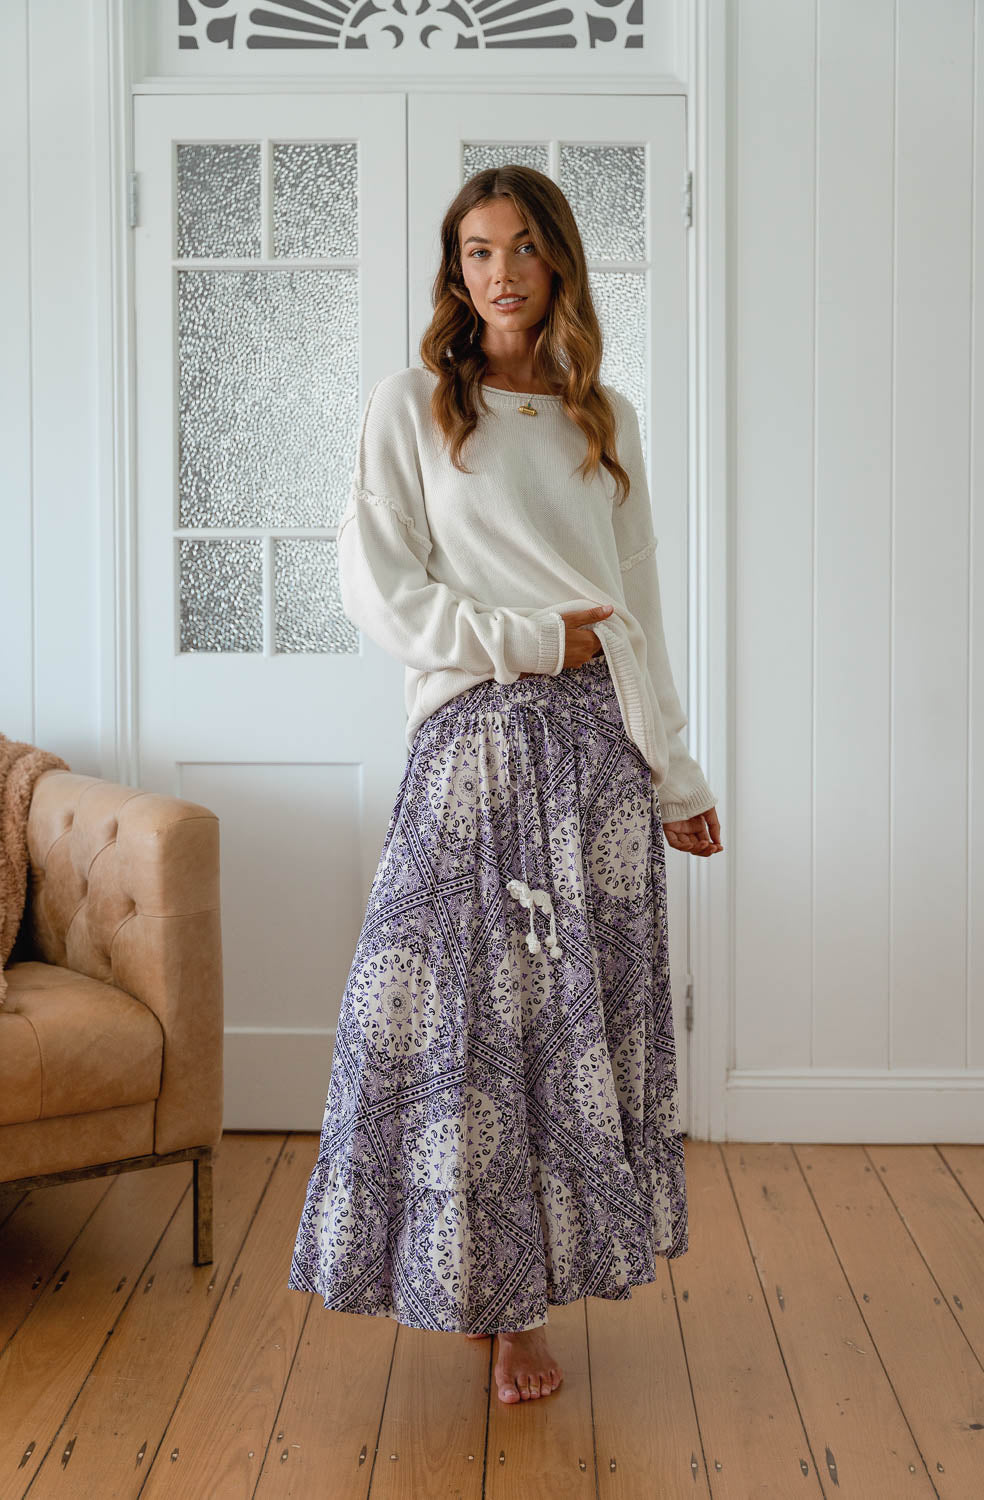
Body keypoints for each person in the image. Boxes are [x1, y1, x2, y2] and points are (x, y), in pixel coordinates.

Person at [288, 165, 724, 1407]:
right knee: (453, 1027)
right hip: (475, 746)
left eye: (523, 247)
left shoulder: (605, 417)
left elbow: (637, 611)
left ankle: (522, 1309)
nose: (500, 272)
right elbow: (381, 591)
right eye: (476, 251)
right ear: (455, 271)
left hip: (599, 758)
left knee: (567, 1036)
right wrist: (532, 640)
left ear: (558, 262)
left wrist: (675, 771)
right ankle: (475, 1294)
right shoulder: (416, 406)